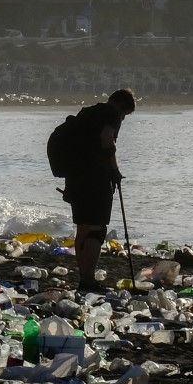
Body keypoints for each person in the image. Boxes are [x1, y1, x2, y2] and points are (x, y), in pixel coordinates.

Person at [60, 87, 134, 288]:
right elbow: (107, 140)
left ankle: (84, 278)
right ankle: (88, 279)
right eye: (125, 114)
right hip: (95, 180)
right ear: (119, 105)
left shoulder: (87, 113)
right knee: (96, 229)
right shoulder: (111, 113)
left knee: (83, 229)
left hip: (75, 179)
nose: (123, 119)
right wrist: (115, 170)